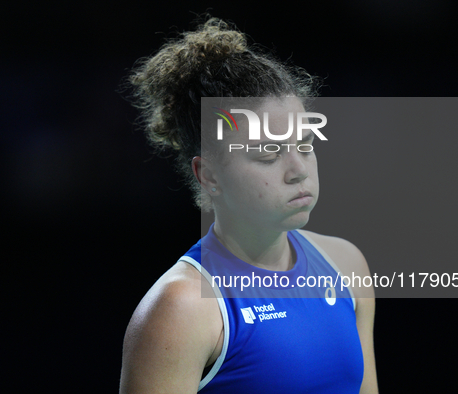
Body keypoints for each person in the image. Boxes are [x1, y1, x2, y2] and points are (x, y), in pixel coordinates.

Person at [120, 17, 378, 393]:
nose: (298, 170)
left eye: (304, 146)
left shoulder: (346, 264)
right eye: (268, 153)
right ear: (209, 175)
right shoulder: (182, 307)